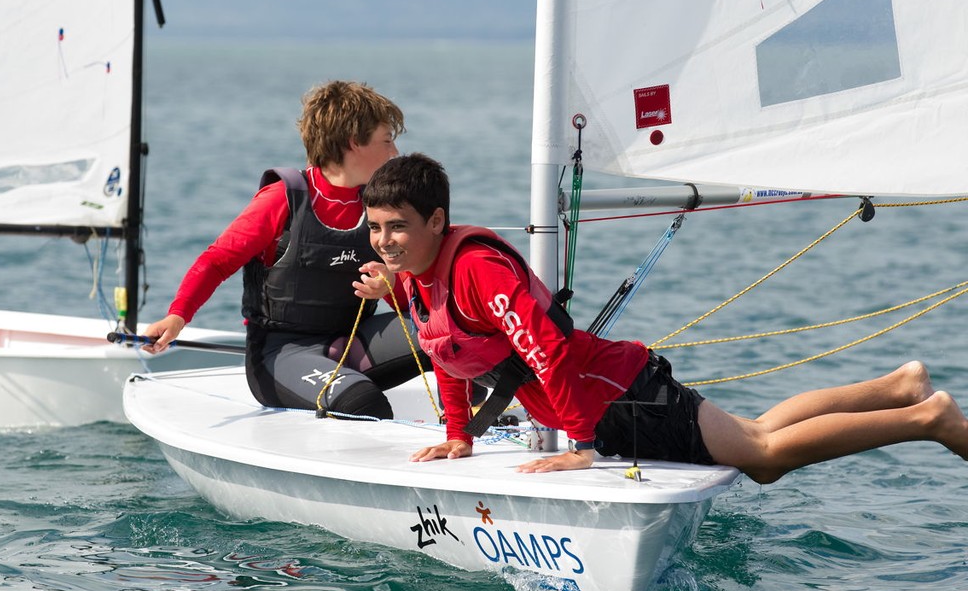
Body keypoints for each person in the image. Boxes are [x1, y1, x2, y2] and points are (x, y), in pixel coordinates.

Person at [355, 152, 968, 483]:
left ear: (436, 221)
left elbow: (548, 351)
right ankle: (898, 387)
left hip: (621, 395)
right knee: (755, 432)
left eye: (398, 226)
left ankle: (927, 417)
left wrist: (583, 446)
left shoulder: (477, 270)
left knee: (762, 457)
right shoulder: (414, 277)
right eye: (377, 227)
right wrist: (459, 435)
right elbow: (449, 354)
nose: (384, 239)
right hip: (606, 399)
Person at [142, 80, 426, 419]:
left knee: (454, 333)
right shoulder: (282, 199)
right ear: (354, 143)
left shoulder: (377, 205)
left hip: (351, 344)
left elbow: (414, 287)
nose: (395, 153)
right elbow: (217, 261)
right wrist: (178, 316)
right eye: (387, 140)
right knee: (362, 404)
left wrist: (390, 286)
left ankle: (488, 419)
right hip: (280, 356)